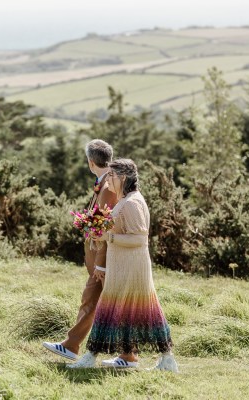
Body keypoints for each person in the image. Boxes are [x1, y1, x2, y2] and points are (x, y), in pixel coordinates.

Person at [68, 158, 178, 371]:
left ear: (124, 177)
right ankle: (164, 359)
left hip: (131, 268)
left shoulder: (132, 203)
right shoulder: (127, 200)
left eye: (112, 176)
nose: (108, 180)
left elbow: (140, 239)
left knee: (113, 309)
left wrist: (108, 237)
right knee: (138, 311)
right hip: (124, 266)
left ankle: (90, 356)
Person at [42, 139, 117, 361]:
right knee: (90, 300)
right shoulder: (105, 181)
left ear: (90, 162)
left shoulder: (109, 186)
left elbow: (105, 226)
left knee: (112, 303)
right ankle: (72, 345)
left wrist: (100, 262)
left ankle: (128, 353)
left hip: (104, 258)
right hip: (99, 258)